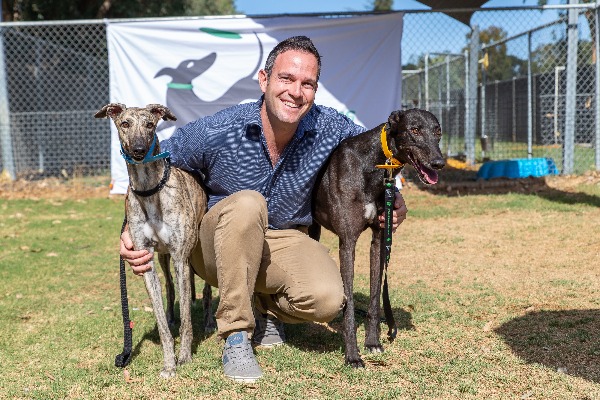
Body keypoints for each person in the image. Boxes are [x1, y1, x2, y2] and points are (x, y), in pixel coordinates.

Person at [120, 36, 407, 383]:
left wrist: (393, 195)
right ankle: (237, 335)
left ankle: (264, 307)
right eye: (286, 79)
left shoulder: (330, 126)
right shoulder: (219, 129)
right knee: (247, 203)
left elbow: (375, 147)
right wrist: (130, 228)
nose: (296, 92)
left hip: (279, 240)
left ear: (315, 90)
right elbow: (152, 159)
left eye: (308, 84)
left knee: (328, 300)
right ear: (264, 80)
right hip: (215, 244)